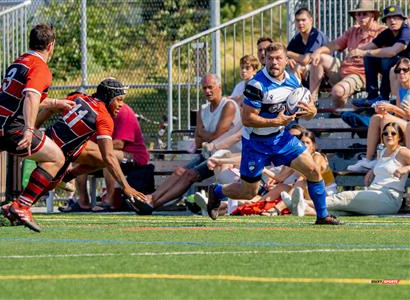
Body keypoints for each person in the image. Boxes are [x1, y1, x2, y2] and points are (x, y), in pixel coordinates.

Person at [205, 42, 342, 225]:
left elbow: (308, 114)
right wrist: (276, 121)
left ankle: (322, 216)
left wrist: (311, 112)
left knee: (313, 170)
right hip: (256, 142)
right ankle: (216, 192)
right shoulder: (256, 85)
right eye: (270, 59)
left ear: (286, 60)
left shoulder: (293, 81)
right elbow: (247, 119)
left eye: (278, 58)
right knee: (249, 191)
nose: (274, 63)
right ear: (265, 61)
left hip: (281, 139)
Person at [0, 24, 76, 232]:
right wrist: (29, 129)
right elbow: (31, 95)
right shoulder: (40, 67)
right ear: (51, 46)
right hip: (9, 127)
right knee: (56, 158)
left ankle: (18, 206)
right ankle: (22, 206)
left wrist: (55, 103)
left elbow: (21, 97)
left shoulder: (20, 61)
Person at [129, 73, 241, 214]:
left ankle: (152, 203)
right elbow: (199, 142)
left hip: (226, 156)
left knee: (189, 175)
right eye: (204, 88)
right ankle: (151, 199)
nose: (207, 91)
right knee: (179, 172)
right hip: (209, 154)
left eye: (210, 87)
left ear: (219, 87)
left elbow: (215, 137)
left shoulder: (228, 106)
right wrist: (206, 136)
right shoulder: (203, 109)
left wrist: (204, 134)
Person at [61, 100, 150, 212]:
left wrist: (95, 149)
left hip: (134, 156)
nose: (120, 103)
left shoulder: (123, 111)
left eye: (120, 99)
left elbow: (119, 143)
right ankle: (83, 202)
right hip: (109, 153)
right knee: (82, 158)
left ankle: (108, 201)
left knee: (107, 158)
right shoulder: (96, 112)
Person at [307, 122, 410, 215]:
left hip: (389, 198)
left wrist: (406, 168)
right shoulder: (382, 152)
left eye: (393, 133)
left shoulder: (402, 152)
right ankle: (304, 209)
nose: (389, 136)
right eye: (385, 133)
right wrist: (372, 171)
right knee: (339, 212)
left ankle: (305, 202)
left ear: (400, 137)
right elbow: (385, 168)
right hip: (374, 194)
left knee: (346, 196)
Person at [309, 1, 385, 108]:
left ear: (372, 15)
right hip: (344, 69)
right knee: (319, 57)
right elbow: (334, 44)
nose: (361, 17)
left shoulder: (382, 32)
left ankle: (338, 114)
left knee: (337, 92)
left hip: (361, 75)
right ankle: (313, 100)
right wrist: (318, 51)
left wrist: (363, 53)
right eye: (358, 14)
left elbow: (388, 52)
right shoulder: (353, 30)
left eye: (365, 14)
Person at [347, 57, 410, 172]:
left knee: (386, 118)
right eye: (398, 70)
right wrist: (386, 110)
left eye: (405, 70)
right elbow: (400, 115)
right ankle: (369, 159)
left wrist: (392, 109)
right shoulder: (401, 89)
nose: (401, 73)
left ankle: (383, 157)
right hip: (404, 125)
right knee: (377, 118)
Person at [350, 5, 410, 106]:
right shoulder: (387, 32)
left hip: (407, 66)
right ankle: (372, 96)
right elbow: (372, 45)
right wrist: (355, 52)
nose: (392, 21)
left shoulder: (406, 31)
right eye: (389, 18)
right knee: (369, 58)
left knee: (386, 59)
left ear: (402, 19)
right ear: (385, 22)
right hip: (396, 65)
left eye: (395, 18)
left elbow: (393, 51)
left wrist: (364, 52)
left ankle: (384, 97)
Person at [287, 8, 328, 85]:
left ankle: (297, 94)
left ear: (311, 20)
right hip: (309, 71)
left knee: (297, 67)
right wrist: (288, 59)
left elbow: (305, 60)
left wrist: (289, 54)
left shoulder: (316, 35)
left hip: (325, 74)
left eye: (303, 20)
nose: (300, 23)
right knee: (288, 66)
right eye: (298, 20)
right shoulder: (297, 38)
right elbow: (285, 54)